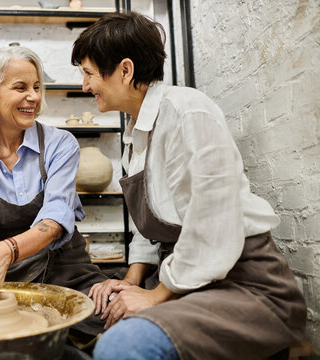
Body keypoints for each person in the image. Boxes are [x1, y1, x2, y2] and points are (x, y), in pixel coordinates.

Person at [71, 12, 307, 360]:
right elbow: (149, 230)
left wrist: (154, 296)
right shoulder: (136, 136)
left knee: (122, 346)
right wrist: (133, 282)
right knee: (84, 318)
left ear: (125, 70)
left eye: (89, 74)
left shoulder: (187, 112)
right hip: (184, 279)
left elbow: (212, 227)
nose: (84, 86)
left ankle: (285, 343)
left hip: (242, 285)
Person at [0, 46, 108, 337]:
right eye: (20, 87)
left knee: (113, 326)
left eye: (36, 87)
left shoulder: (60, 144)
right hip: (7, 284)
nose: (33, 96)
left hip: (70, 276)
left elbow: (55, 220)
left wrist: (8, 250)